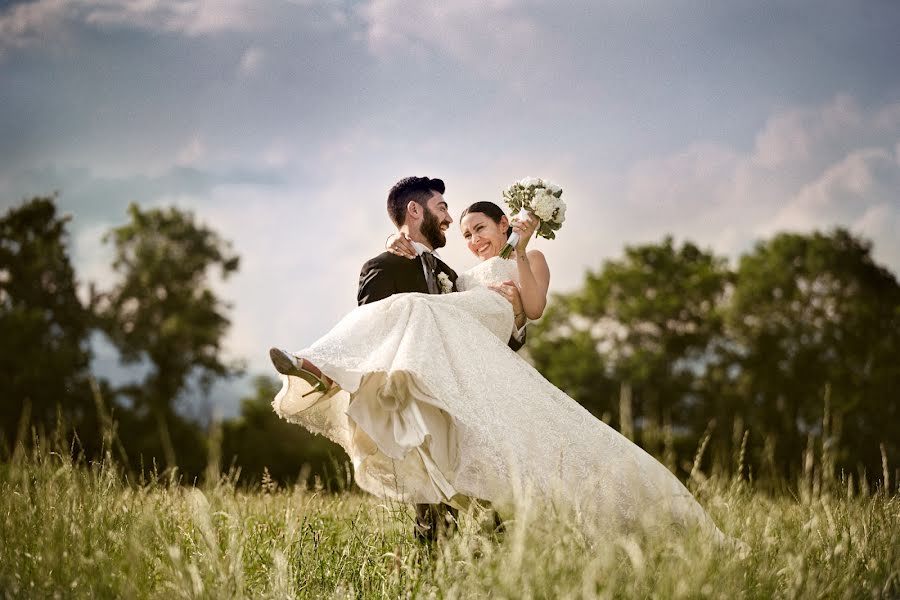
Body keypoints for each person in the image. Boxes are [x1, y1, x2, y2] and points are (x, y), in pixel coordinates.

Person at [270, 188, 731, 547]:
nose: (471, 239)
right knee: (415, 311)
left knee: (412, 306)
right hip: (466, 352)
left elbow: (532, 309)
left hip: (491, 322)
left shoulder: (527, 258)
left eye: (479, 228)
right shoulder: (455, 275)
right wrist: (395, 245)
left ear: (503, 224)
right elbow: (420, 283)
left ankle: (326, 368)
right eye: (466, 232)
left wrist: (519, 255)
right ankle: (321, 367)